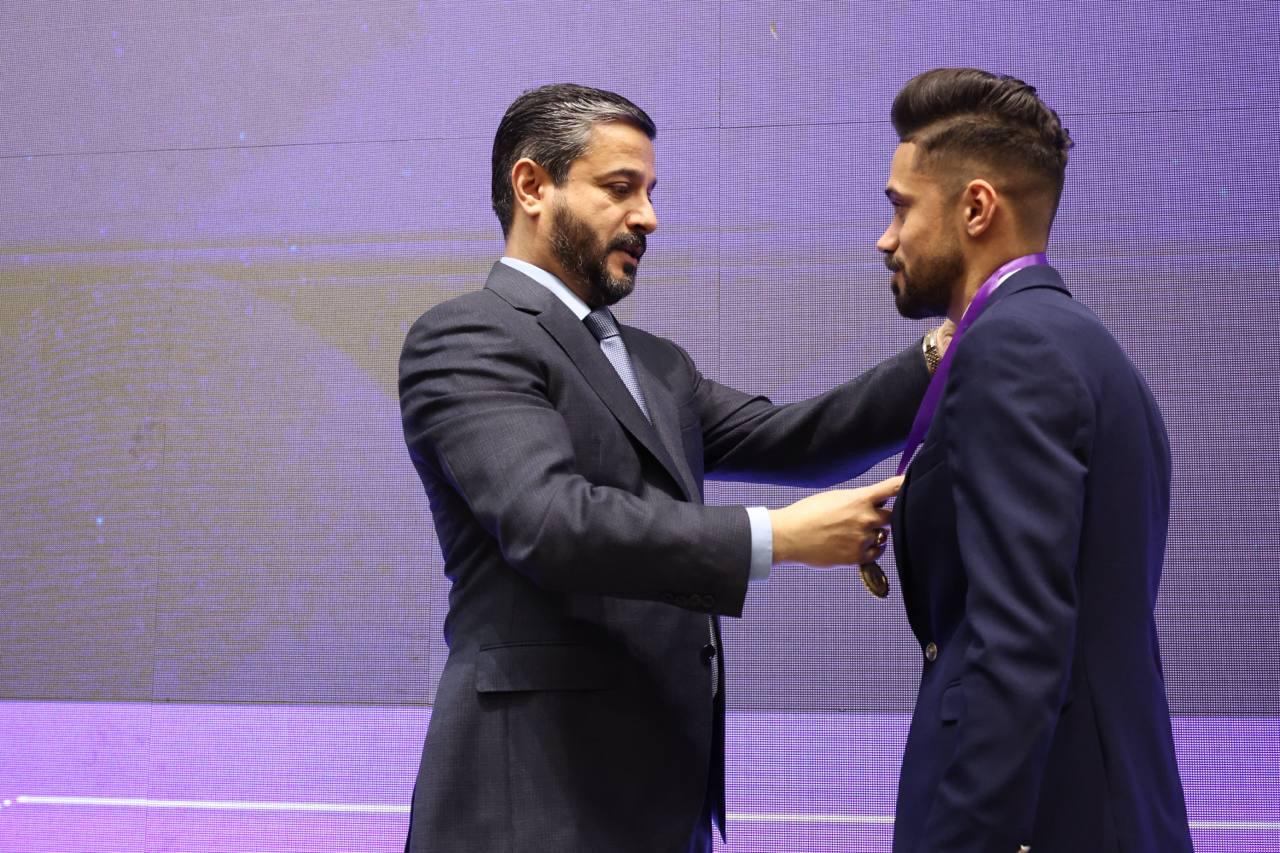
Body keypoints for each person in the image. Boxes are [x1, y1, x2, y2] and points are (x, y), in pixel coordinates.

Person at [398, 83, 943, 853]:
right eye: (621, 188)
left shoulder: (656, 364)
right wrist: (775, 537)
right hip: (532, 809)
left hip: (660, 808)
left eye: (650, 192)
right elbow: (550, 522)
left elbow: (797, 437)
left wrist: (937, 354)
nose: (648, 216)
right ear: (532, 186)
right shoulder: (466, 336)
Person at [878, 68, 1194, 853]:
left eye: (901, 208)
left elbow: (1019, 637)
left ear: (976, 208)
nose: (886, 238)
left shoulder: (1011, 350)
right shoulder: (1082, 344)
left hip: (1045, 816)